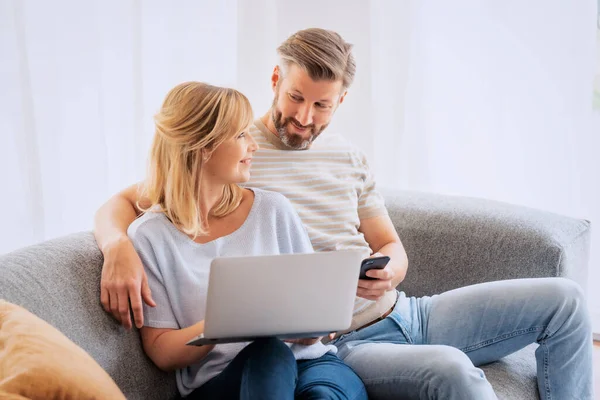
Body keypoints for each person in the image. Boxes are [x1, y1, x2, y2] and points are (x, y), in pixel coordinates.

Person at [94, 29, 594, 399]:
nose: (304, 117)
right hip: (338, 339)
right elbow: (150, 195)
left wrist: (388, 271)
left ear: (341, 101)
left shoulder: (344, 157)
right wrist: (117, 245)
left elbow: (390, 246)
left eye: (322, 105)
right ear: (275, 81)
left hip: (403, 311)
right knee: (450, 370)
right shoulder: (237, 154)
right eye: (295, 97)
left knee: (566, 302)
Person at [121, 81, 368, 399]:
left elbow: (315, 311)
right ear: (202, 147)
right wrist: (224, 322)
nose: (254, 146)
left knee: (323, 395)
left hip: (310, 364)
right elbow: (162, 351)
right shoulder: (150, 237)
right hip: (225, 380)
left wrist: (316, 324)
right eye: (241, 135)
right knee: (269, 352)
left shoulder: (272, 209)